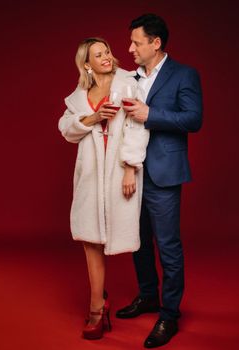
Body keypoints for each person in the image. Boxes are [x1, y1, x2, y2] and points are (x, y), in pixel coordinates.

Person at [116, 14, 203, 348]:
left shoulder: (184, 75)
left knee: (167, 245)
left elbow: (193, 119)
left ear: (156, 43)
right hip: (130, 171)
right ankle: (148, 296)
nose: (130, 49)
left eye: (136, 42)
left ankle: (169, 315)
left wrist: (151, 115)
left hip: (164, 173)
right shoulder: (130, 77)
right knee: (137, 241)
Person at [58, 37, 150, 340]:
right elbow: (66, 130)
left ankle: (152, 296)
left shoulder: (129, 83)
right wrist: (93, 118)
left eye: (107, 51)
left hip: (118, 172)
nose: (107, 57)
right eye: (99, 55)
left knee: (127, 237)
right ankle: (97, 307)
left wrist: (129, 169)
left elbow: (137, 127)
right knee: (91, 239)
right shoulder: (78, 97)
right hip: (90, 175)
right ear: (87, 64)